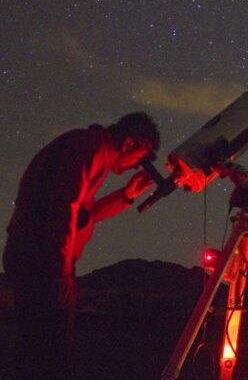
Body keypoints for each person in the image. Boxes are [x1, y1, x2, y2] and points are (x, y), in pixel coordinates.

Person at [3, 112, 160, 380]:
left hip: (42, 261)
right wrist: (60, 273)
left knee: (41, 351)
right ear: (129, 144)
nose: (138, 166)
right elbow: (63, 208)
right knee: (46, 354)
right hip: (42, 264)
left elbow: (84, 215)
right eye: (141, 158)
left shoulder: (91, 148)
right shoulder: (90, 147)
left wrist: (127, 195)